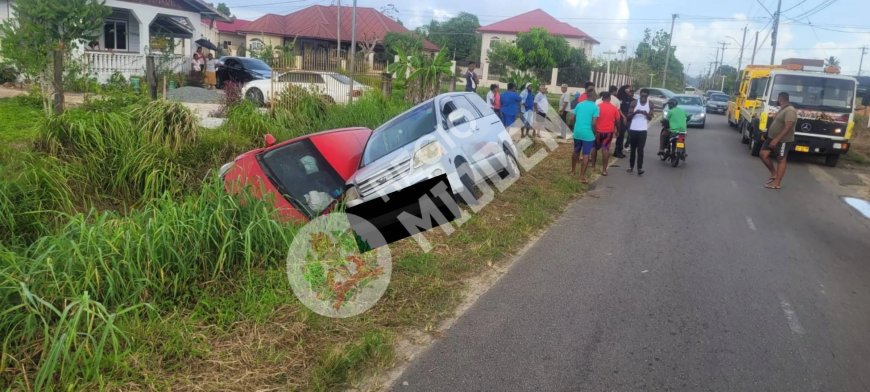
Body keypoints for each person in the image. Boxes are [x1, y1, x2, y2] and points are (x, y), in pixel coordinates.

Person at [760, 92, 797, 189]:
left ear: (780, 99)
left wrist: (777, 139)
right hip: (771, 137)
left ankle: (777, 183)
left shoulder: (790, 110)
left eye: (778, 99)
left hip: (783, 140)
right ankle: (774, 173)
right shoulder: (782, 109)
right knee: (763, 154)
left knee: (781, 159)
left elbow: (788, 126)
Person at [591, 91, 621, 176]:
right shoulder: (614, 108)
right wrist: (618, 131)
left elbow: (593, 120)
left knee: (594, 148)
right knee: (605, 149)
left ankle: (593, 166)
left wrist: (593, 130)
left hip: (598, 131)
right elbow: (618, 121)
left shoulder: (597, 107)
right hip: (608, 132)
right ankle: (604, 170)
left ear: (602, 98)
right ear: (610, 98)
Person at [572, 91, 599, 184]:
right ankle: (582, 176)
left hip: (577, 131)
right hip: (588, 133)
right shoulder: (595, 107)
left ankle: (573, 171)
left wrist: (577, 125)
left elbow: (572, 118)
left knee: (576, 150)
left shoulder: (579, 105)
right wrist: (595, 132)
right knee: (586, 154)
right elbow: (594, 123)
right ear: (594, 96)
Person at [626, 88, 653, 175]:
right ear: (640, 95)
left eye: (645, 96)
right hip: (633, 129)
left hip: (643, 130)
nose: (643, 98)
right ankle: (631, 166)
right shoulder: (634, 103)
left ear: (647, 96)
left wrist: (645, 113)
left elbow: (650, 118)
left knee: (640, 150)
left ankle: (639, 168)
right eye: (642, 96)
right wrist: (635, 112)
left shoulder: (650, 104)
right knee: (633, 149)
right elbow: (628, 117)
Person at [614, 85, 634, 158]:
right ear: (624, 90)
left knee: (624, 135)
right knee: (621, 134)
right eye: (629, 89)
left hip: (628, 118)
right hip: (622, 117)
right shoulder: (620, 98)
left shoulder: (630, 98)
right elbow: (618, 109)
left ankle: (620, 150)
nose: (630, 91)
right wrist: (624, 117)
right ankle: (617, 151)